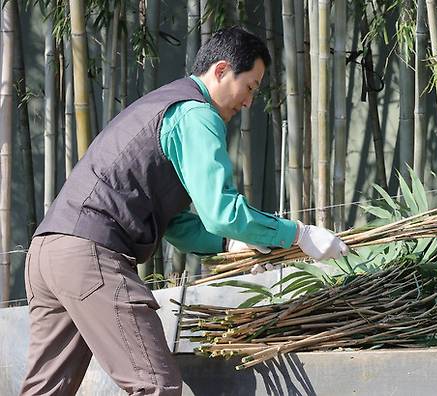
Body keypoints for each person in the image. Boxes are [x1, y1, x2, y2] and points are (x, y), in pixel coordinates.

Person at [20, 27, 348, 396]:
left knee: (45, 390)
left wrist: (229, 245)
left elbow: (173, 224)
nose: (249, 102)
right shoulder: (196, 114)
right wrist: (299, 234)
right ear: (222, 71)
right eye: (251, 87)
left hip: (48, 252)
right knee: (155, 385)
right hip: (89, 254)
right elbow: (222, 212)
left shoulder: (162, 104)